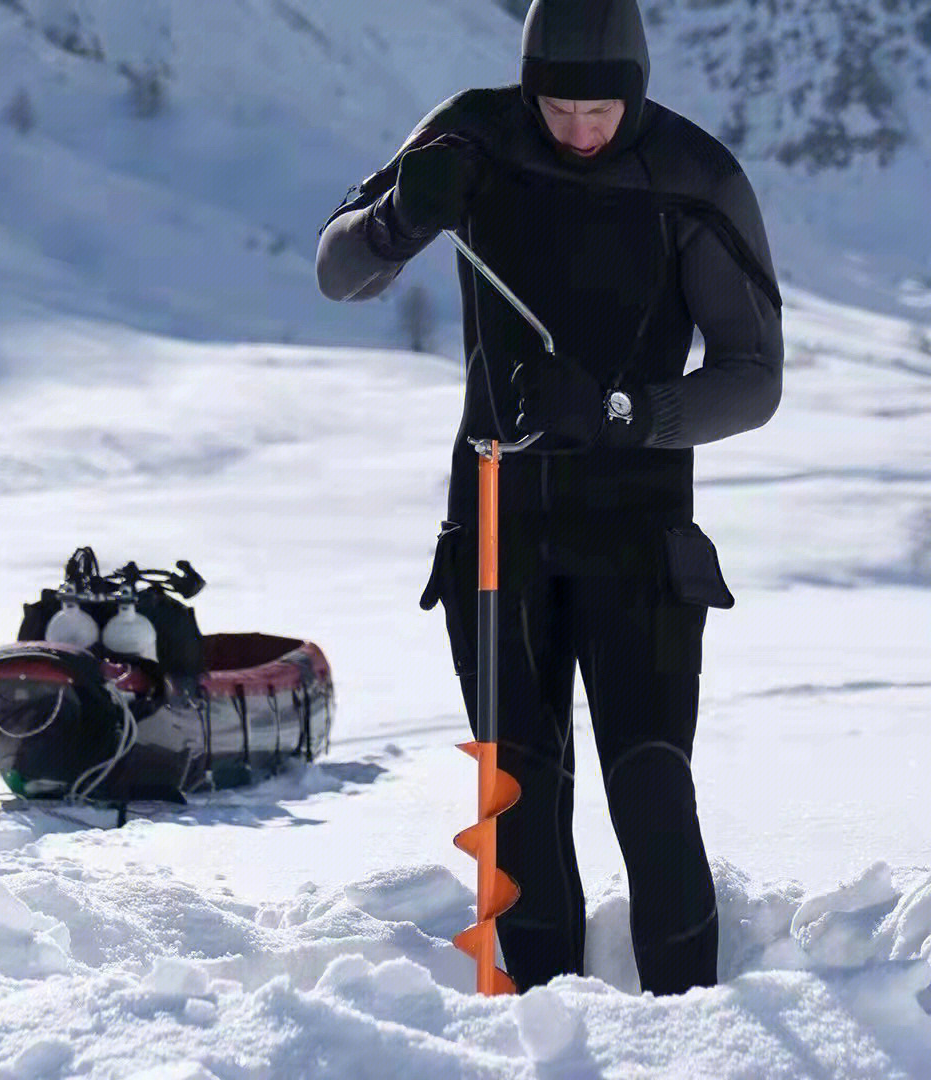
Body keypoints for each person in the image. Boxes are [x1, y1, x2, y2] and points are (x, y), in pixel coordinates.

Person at [315, 0, 783, 997]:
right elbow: (339, 271)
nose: (577, 129)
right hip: (497, 519)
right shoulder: (473, 138)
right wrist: (400, 216)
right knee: (518, 803)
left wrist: (620, 412)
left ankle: (698, 1034)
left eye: (599, 110)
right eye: (558, 106)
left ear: (638, 91)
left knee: (651, 792)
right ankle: (537, 1040)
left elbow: (753, 376)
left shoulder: (691, 180)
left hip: (638, 532)